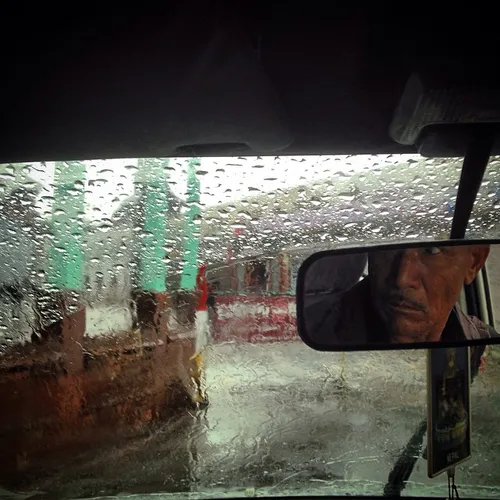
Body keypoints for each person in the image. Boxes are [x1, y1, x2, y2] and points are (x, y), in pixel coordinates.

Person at [310, 244, 498, 345]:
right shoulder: (311, 335)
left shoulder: (487, 352)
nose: (403, 278)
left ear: (474, 262)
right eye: (388, 247)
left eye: (431, 250)